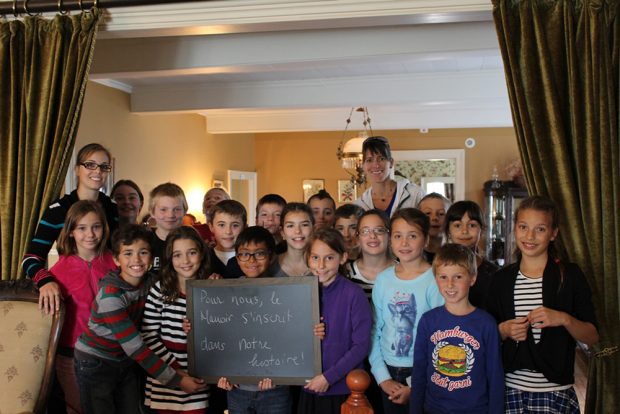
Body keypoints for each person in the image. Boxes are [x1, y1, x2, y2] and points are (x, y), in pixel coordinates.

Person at [74, 224, 206, 414]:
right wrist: (177, 379)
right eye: (127, 253)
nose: (136, 259)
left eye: (143, 252)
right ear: (116, 260)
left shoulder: (150, 282)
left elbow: (176, 280)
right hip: (96, 361)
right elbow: (136, 348)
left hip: (125, 360)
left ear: (152, 257)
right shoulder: (111, 297)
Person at [486, 195, 599, 413]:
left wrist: (563, 318)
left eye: (540, 229)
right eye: (523, 227)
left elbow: (592, 336)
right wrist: (503, 330)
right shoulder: (501, 280)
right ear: (515, 229)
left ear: (553, 233)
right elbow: (486, 336)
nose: (530, 236)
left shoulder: (570, 276)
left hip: (557, 393)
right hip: (509, 392)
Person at [22, 143, 119, 314]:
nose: (98, 171)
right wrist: (45, 281)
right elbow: (30, 258)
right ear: (76, 169)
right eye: (90, 165)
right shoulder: (58, 210)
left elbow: (116, 253)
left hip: (106, 294)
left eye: (104, 167)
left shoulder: (112, 208)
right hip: (72, 294)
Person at [410, 243, 504, 414]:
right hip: (434, 409)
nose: (450, 284)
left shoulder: (486, 324)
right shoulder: (428, 321)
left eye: (458, 277)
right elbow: (419, 373)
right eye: (443, 277)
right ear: (435, 278)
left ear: (473, 278)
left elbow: (495, 377)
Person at [369, 208, 444, 414]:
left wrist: (415, 384)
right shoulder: (383, 280)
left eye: (412, 236)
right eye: (398, 236)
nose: (404, 243)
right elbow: (374, 330)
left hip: (424, 373)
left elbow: (441, 337)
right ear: (390, 240)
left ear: (426, 240)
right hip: (387, 371)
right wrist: (382, 377)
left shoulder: (435, 280)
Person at [49, 201, 117, 414]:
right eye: (82, 228)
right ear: (70, 232)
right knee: (80, 407)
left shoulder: (114, 262)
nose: (90, 234)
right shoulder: (60, 269)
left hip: (113, 351)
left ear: (104, 228)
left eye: (96, 226)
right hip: (72, 355)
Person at [217, 226, 292, 414]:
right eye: (244, 254)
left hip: (276, 389)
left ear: (272, 256)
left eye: (259, 254)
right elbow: (219, 335)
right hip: (237, 389)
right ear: (237, 257)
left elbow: (295, 334)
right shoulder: (226, 293)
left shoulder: (289, 290)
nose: (251, 260)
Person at [298, 229, 372, 414]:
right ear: (308, 258)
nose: (321, 265)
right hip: (308, 385)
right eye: (315, 257)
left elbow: (361, 346)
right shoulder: (300, 290)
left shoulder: (354, 294)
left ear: (343, 257)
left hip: (342, 388)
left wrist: (328, 378)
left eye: (329, 258)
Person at [141, 226, 211, 412]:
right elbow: (148, 336)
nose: (185, 261)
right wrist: (175, 373)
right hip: (165, 379)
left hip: (198, 379)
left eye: (192, 253)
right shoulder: (159, 290)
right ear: (169, 259)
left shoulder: (211, 290)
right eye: (177, 255)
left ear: (202, 254)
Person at [444, 201, 499, 309]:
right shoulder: (438, 269)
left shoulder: (493, 274)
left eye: (472, 225)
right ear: (448, 231)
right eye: (457, 225)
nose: (464, 231)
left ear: (481, 230)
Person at [354, 136, 425, 216]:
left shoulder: (415, 194)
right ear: (363, 166)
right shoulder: (359, 205)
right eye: (369, 160)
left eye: (381, 159)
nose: (376, 165)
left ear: (391, 162)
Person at [149, 183, 188, 273]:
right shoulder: (145, 241)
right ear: (152, 212)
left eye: (177, 209)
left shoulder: (192, 241)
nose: (170, 215)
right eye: (163, 209)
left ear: (185, 211)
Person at [270, 202, 314, 278]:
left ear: (313, 229)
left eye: (304, 225)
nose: (298, 231)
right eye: (290, 226)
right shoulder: (270, 265)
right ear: (282, 232)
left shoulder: (323, 265)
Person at [207, 199, 246, 278]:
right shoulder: (204, 258)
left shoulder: (250, 259)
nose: (228, 231)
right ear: (211, 227)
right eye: (221, 225)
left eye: (235, 225)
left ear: (245, 227)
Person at [417, 193, 451, 262]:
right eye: (428, 213)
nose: (434, 218)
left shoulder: (455, 255)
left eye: (441, 214)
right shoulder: (410, 255)